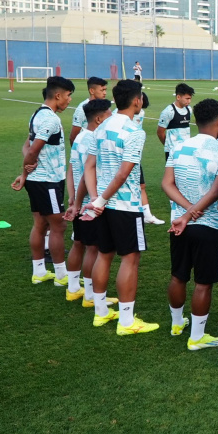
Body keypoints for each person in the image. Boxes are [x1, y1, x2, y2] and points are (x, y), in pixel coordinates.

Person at [81, 79, 158, 335]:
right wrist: (100, 200)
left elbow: (89, 166)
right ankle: (126, 322)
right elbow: (124, 174)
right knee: (130, 259)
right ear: (137, 100)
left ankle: (101, 313)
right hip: (124, 204)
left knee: (104, 254)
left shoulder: (100, 127)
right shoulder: (134, 131)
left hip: (102, 205)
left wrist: (95, 199)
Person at [161, 98, 218, 351]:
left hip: (178, 224)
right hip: (209, 224)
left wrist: (185, 211)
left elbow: (166, 183)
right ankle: (196, 336)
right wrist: (194, 211)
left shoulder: (179, 147)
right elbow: (216, 192)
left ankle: (175, 323)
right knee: (203, 282)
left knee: (178, 275)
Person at [11, 76, 76, 285]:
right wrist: (24, 173)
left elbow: (26, 146)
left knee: (40, 224)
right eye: (68, 96)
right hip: (48, 181)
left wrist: (26, 174)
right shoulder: (50, 119)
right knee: (58, 226)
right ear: (58, 95)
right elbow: (32, 151)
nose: (69, 101)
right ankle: (61, 275)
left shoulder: (37, 114)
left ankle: (39, 271)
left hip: (40, 180)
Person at [63, 98, 118, 309]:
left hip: (78, 201)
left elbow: (71, 169)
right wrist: (80, 203)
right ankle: (89, 295)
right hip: (87, 204)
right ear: (99, 118)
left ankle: (73, 289)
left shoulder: (79, 138)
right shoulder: (93, 139)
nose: (111, 117)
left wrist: (70, 198)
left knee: (78, 243)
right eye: (109, 114)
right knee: (93, 248)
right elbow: (87, 175)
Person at [135, 92, 165, 225]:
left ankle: (146, 215)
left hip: (135, 157)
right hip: (127, 157)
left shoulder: (140, 113)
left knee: (141, 185)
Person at [157, 82, 194, 161]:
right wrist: (168, 145)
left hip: (185, 150)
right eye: (187, 98)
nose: (189, 101)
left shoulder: (189, 110)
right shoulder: (168, 111)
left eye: (190, 98)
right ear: (178, 97)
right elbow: (160, 132)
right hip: (172, 152)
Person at [69, 77, 108, 145]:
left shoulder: (104, 107)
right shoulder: (82, 108)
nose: (105, 93)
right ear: (92, 91)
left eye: (105, 90)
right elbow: (73, 136)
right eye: (102, 90)